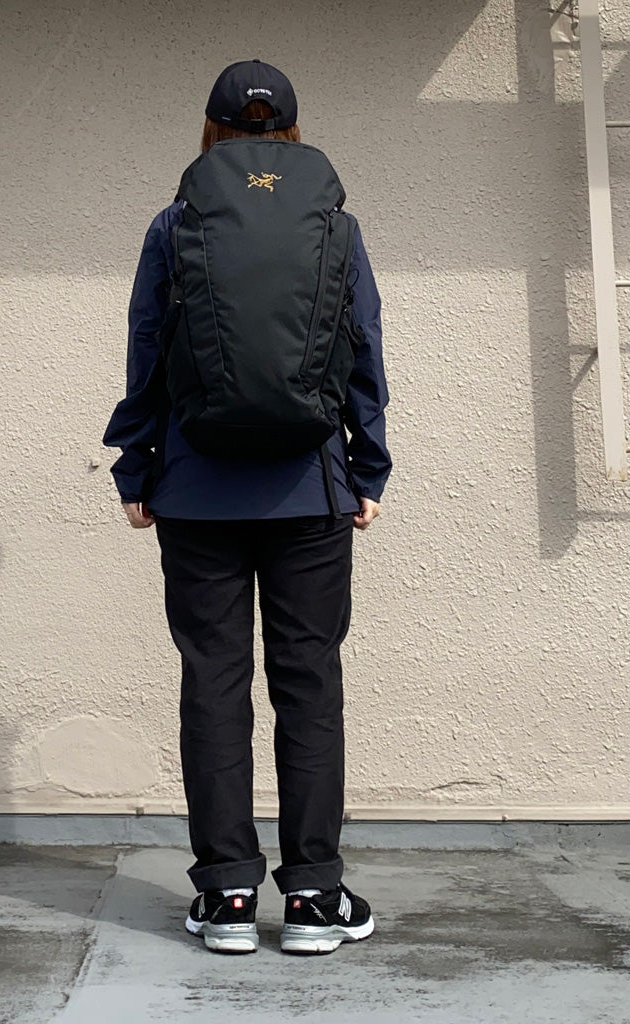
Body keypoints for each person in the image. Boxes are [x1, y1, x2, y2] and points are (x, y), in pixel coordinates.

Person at [103, 59, 392, 955]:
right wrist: (368, 470)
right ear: (291, 132)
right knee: (309, 686)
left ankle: (227, 895)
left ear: (213, 131)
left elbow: (147, 346)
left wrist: (136, 468)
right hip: (310, 490)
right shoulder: (336, 226)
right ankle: (312, 899)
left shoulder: (174, 223)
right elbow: (362, 347)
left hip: (196, 493)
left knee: (215, 685)